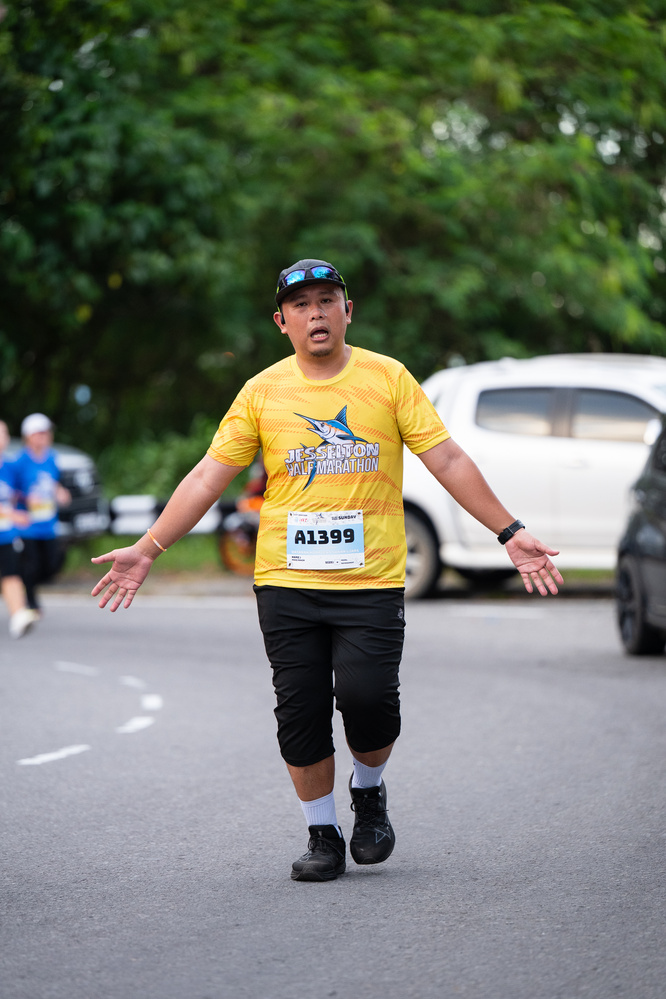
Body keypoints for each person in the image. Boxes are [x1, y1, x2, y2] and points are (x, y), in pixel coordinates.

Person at [91, 258, 563, 882]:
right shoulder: (262, 391)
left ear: (348, 311)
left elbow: (446, 458)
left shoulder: (388, 378)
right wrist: (149, 548)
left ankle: (368, 789)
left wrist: (509, 531)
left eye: (326, 300)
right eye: (302, 305)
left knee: (370, 702)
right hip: (285, 581)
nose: (315, 313)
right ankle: (322, 831)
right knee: (300, 712)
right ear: (282, 321)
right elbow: (209, 475)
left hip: (371, 580)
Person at [13, 413, 71, 615]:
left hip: (48, 523)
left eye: (47, 433)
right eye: (40, 433)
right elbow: (10, 491)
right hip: (27, 525)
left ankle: (20, 584)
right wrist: (25, 498)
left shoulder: (52, 458)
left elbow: (52, 482)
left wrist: (60, 492)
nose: (45, 437)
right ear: (29, 436)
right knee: (32, 564)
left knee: (52, 564)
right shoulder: (19, 461)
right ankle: (31, 601)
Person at [0, 420, 36, 638]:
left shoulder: (10, 467)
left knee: (11, 574)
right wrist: (12, 514)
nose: (1, 437)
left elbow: (18, 494)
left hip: (5, 534)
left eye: (4, 432)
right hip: (7, 522)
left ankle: (18, 615)